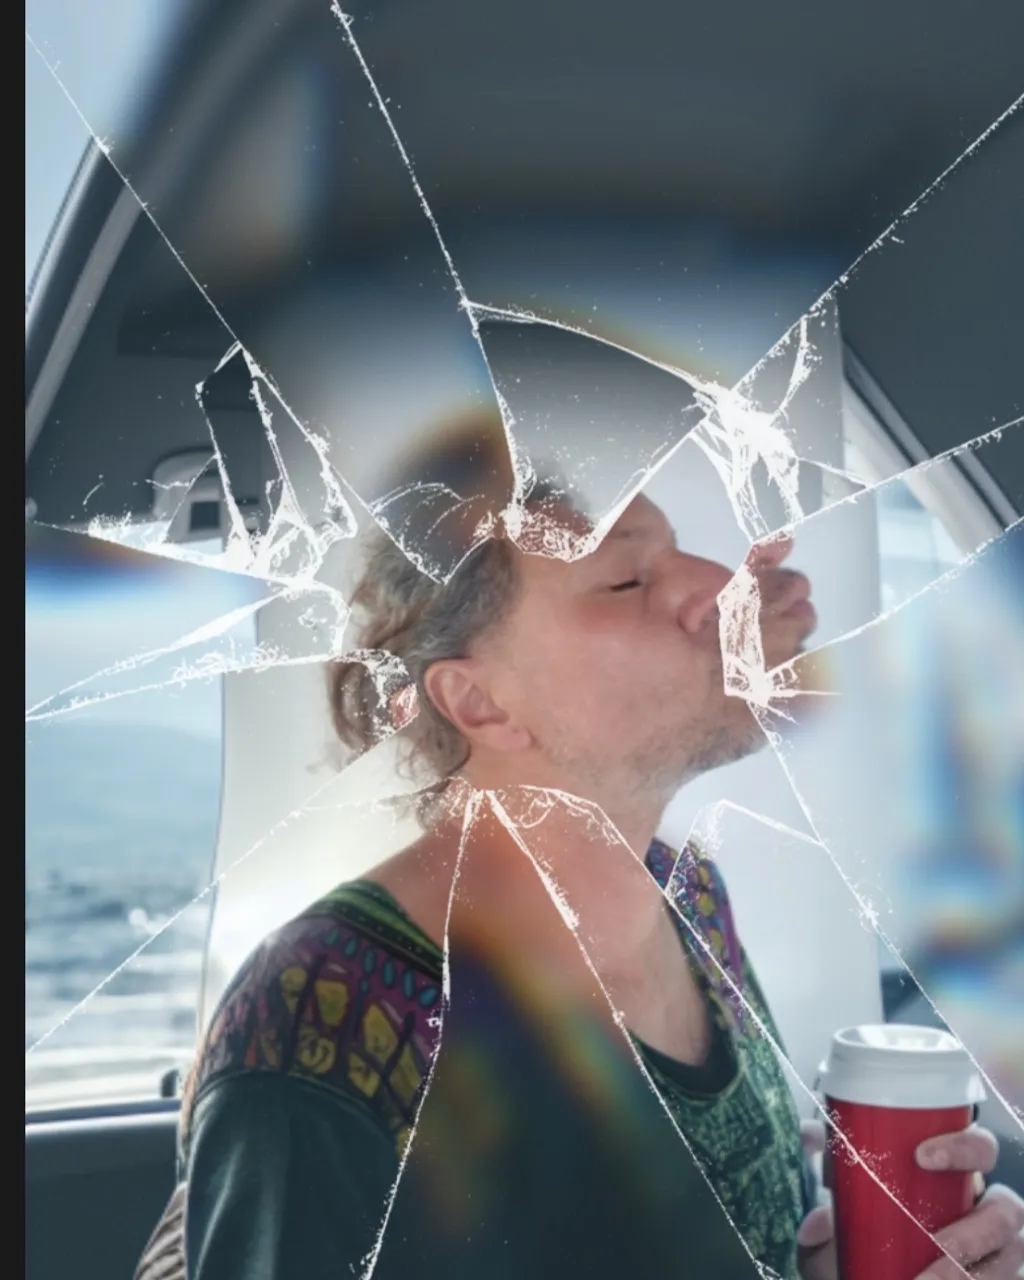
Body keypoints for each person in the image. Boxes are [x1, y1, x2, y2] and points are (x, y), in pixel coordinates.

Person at [136, 421, 1024, 1280]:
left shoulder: (689, 899)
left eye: (677, 548)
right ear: (479, 702)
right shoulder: (323, 1025)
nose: (716, 583)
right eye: (627, 582)